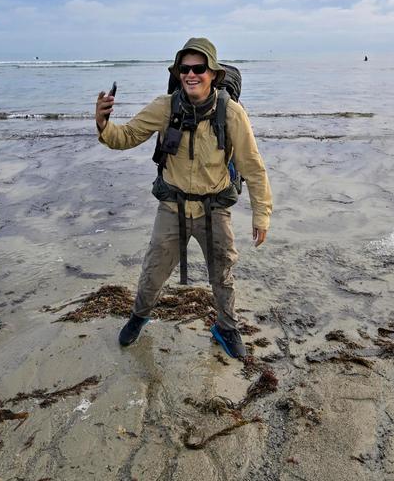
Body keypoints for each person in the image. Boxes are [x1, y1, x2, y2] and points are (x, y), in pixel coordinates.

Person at [95, 37, 272, 358]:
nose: (191, 75)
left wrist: (262, 213)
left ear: (213, 74)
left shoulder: (231, 114)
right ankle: (139, 316)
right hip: (171, 208)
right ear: (178, 73)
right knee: (153, 271)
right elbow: (127, 137)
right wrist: (103, 123)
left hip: (214, 210)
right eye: (184, 69)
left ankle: (227, 327)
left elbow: (253, 167)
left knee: (223, 274)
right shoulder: (165, 106)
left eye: (199, 68)